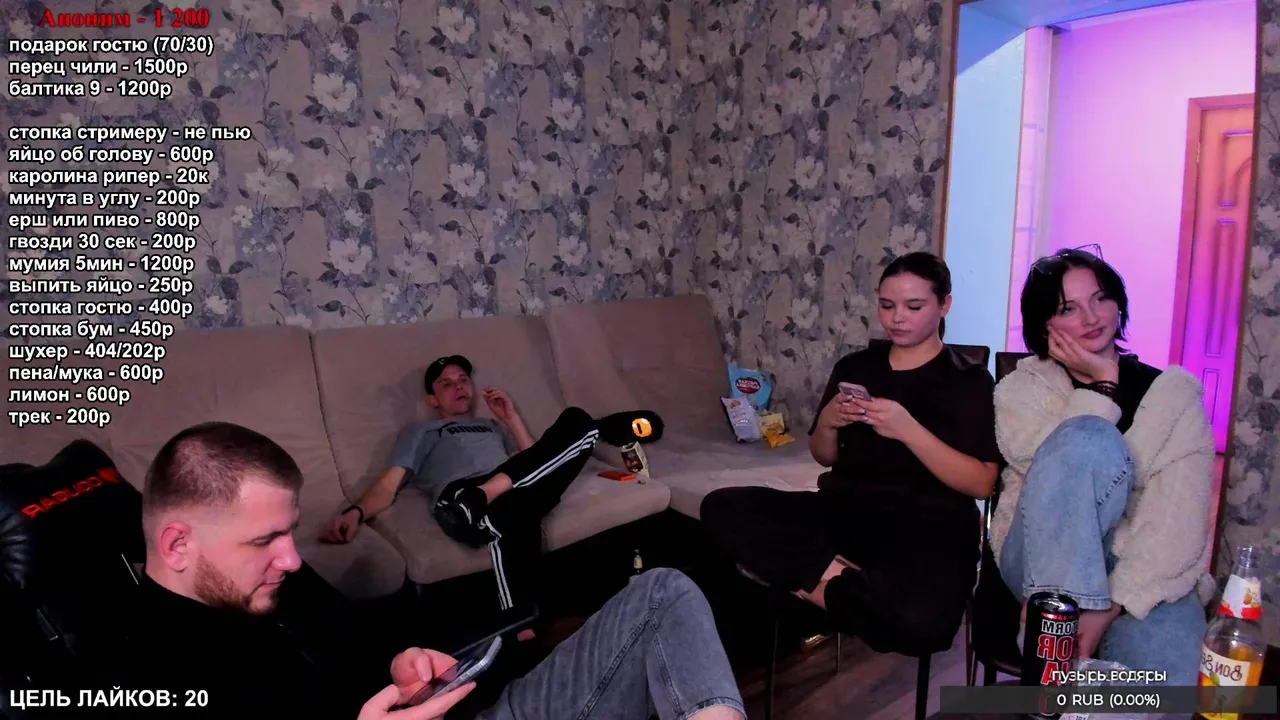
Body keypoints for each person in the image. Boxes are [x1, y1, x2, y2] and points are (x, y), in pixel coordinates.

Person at [110, 421, 743, 720]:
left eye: (288, 532)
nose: (293, 558)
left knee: (663, 591)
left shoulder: (277, 583)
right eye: (264, 540)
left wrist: (401, 661)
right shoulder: (144, 671)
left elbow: (362, 642)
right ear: (178, 544)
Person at [700, 252, 1001, 655]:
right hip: (846, 511)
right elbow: (824, 457)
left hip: (929, 525)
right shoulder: (856, 367)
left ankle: (823, 589)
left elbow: (982, 483)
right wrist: (827, 422)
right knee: (722, 507)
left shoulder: (970, 380)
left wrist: (908, 429)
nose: (897, 318)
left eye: (913, 307)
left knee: (925, 627)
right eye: (887, 305)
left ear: (944, 304)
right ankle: (846, 583)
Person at [991, 248, 1216, 684]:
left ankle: (1059, 670)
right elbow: (1056, 483)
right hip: (1039, 551)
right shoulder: (1020, 389)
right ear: (1044, 324)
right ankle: (1055, 635)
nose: (1092, 317)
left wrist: (1111, 604)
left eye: (1100, 299)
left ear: (1118, 303)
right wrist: (1103, 386)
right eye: (1068, 309)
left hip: (1142, 564)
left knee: (1169, 675)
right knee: (1087, 437)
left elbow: (1180, 520)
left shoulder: (1173, 396)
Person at [320, 355, 661, 617]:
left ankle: (485, 502)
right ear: (432, 399)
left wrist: (510, 418)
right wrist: (355, 513)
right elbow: (388, 486)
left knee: (571, 424)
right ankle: (597, 432)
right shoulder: (420, 432)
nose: (458, 387)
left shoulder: (491, 427)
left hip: (504, 493)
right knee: (571, 434)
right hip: (458, 494)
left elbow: (539, 461)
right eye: (446, 383)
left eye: (463, 380)